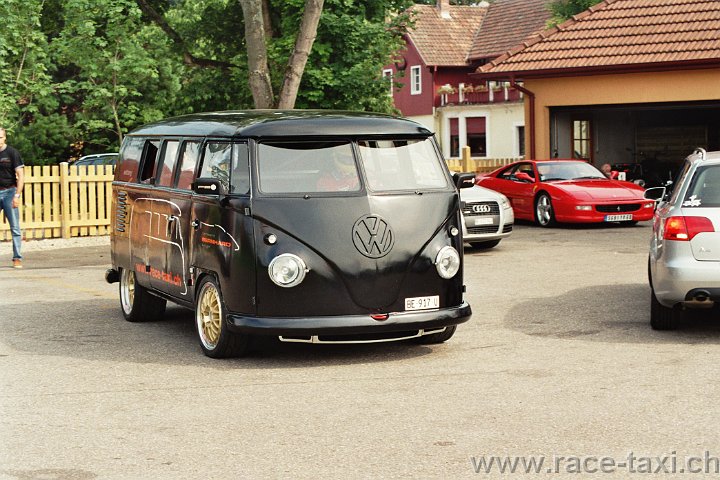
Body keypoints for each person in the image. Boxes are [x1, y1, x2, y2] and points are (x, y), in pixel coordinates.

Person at [0, 127, 24, 268]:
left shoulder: (12, 153)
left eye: (0, 137)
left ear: (5, 138)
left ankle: (17, 258)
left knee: (14, 227)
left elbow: (21, 176)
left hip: (10, 192)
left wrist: (17, 195)